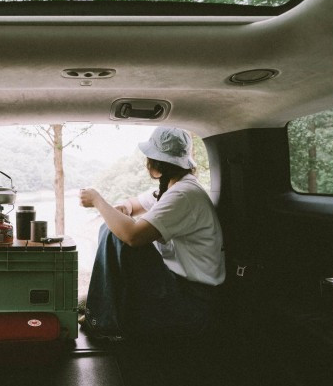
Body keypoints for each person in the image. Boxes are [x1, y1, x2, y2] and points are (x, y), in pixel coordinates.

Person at [79, 126, 225, 340]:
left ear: (156, 163)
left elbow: (133, 236)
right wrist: (125, 208)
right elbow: (134, 203)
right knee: (113, 228)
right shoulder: (174, 188)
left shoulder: (183, 195)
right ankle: (102, 302)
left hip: (192, 302)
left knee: (115, 234)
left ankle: (101, 318)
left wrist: (97, 200)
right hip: (180, 287)